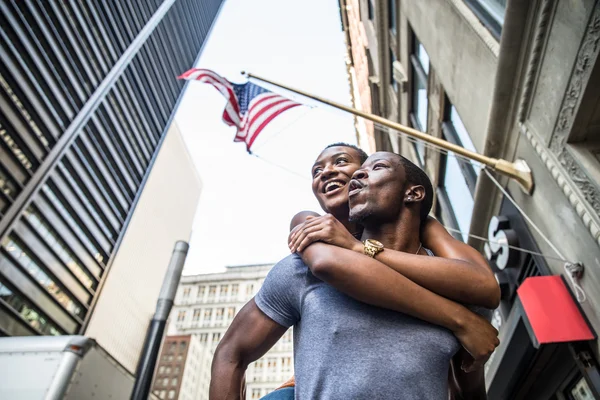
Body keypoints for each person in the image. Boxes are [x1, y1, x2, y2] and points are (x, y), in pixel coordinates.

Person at [210, 148, 500, 399]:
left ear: (413, 193)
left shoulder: (456, 283)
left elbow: (469, 392)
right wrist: (460, 321)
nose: (355, 177)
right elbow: (231, 354)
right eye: (318, 170)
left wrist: (359, 247)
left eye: (375, 167)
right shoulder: (305, 263)